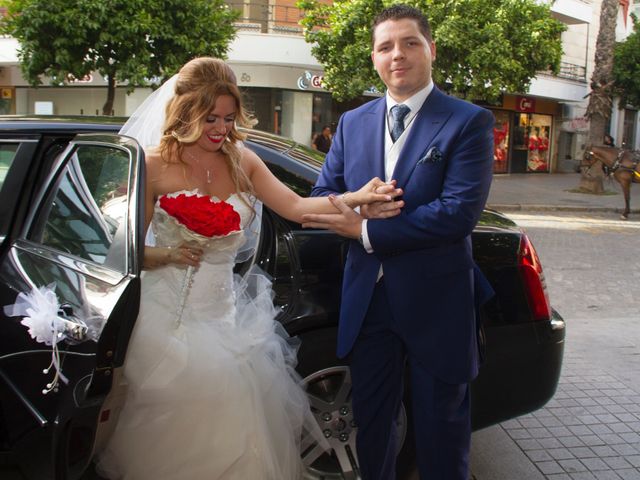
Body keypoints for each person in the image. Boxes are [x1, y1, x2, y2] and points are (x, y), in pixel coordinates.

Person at [95, 57, 402, 480]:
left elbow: (296, 207)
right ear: (184, 114)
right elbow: (126, 254)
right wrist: (169, 254)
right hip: (166, 320)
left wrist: (354, 198)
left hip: (225, 320)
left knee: (235, 428)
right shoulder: (151, 165)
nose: (220, 128)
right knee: (173, 431)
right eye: (209, 119)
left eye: (227, 117)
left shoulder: (242, 160)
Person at [302, 5, 494, 479]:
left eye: (409, 43)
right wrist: (357, 202)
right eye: (386, 46)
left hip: (438, 302)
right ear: (373, 58)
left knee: (441, 433)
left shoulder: (468, 121)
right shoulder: (352, 123)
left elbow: (457, 214)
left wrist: (364, 229)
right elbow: (322, 196)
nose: (398, 55)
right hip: (368, 302)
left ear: (430, 49)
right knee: (373, 427)